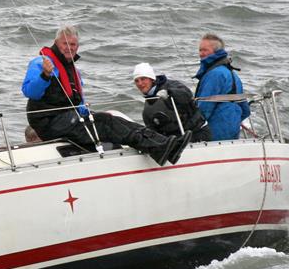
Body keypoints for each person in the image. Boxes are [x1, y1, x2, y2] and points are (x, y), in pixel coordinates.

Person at [22, 26, 191, 166]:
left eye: (73, 44)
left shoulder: (73, 70)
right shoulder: (41, 63)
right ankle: (160, 147)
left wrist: (90, 115)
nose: (69, 47)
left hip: (67, 118)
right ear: (56, 44)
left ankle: (164, 144)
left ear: (77, 47)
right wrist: (45, 75)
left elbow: (78, 103)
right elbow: (29, 92)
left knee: (111, 118)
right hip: (48, 122)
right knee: (105, 122)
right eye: (65, 43)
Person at [132, 62, 212, 142]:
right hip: (177, 138)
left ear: (151, 79)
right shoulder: (148, 105)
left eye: (143, 79)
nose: (140, 83)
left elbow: (187, 95)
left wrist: (170, 92)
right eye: (137, 81)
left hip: (198, 132)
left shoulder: (171, 85)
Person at [194, 33, 251, 140]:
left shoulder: (215, 74)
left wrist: (190, 127)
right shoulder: (233, 75)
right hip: (233, 132)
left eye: (205, 50)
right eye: (200, 50)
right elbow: (245, 110)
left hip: (214, 133)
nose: (201, 54)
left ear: (216, 51)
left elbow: (204, 109)